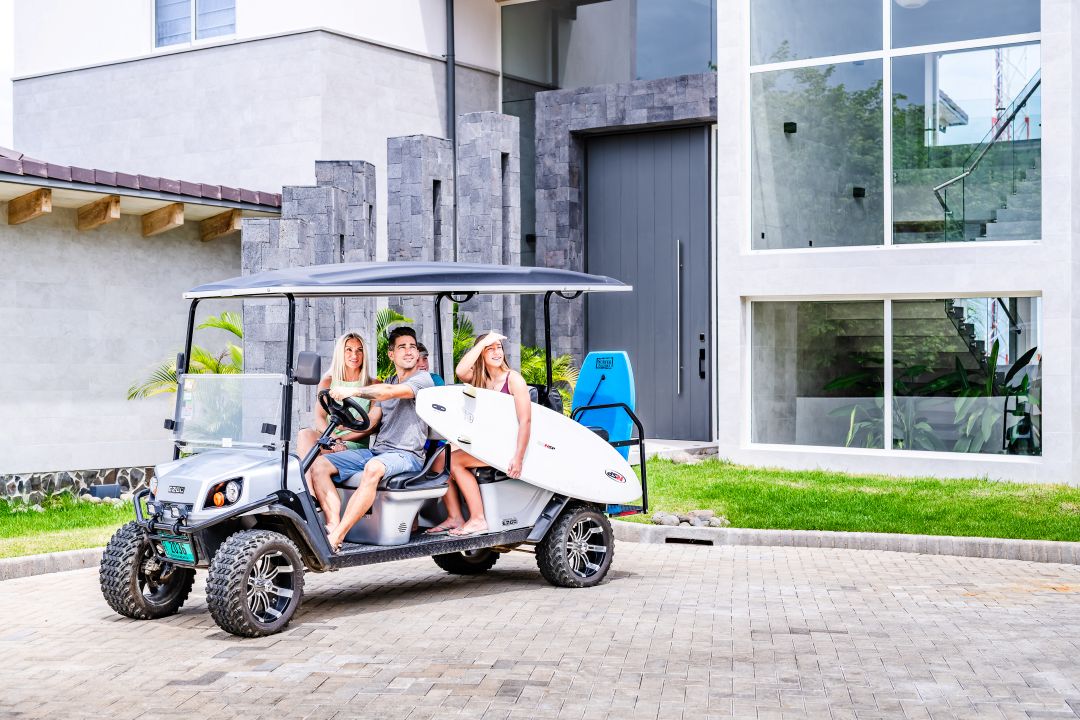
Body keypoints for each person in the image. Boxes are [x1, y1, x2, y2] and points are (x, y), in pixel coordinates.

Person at [309, 326, 435, 551]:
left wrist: (354, 392)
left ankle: (337, 536)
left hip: (407, 455)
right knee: (319, 465)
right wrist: (343, 429)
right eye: (402, 347)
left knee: (373, 468)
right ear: (391, 354)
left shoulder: (422, 380)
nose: (409, 352)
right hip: (379, 451)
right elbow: (373, 418)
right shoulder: (390, 379)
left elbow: (388, 392)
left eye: (412, 347)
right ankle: (333, 524)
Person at [426, 331, 532, 537]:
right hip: (486, 444)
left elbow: (525, 420)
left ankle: (478, 519)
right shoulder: (480, 379)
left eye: (498, 347)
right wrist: (483, 341)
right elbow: (461, 370)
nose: (496, 352)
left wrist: (518, 458)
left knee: (455, 462)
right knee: (439, 460)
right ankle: (455, 516)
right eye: (489, 349)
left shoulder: (513, 379)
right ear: (481, 354)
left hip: (506, 447)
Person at [297, 333, 376, 481]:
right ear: (341, 352)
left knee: (313, 459)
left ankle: (310, 496)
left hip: (354, 445)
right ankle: (309, 495)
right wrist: (335, 440)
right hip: (330, 439)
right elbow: (319, 417)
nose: (355, 355)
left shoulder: (374, 385)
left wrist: (343, 441)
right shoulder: (328, 381)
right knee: (305, 435)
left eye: (359, 350)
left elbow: (370, 426)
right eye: (349, 350)